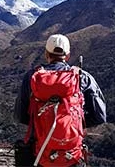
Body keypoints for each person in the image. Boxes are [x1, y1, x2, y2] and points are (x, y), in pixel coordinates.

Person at [14, 34, 107, 166]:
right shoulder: (83, 78)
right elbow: (100, 116)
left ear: (46, 54)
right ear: (67, 56)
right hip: (72, 156)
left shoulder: (32, 77)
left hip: (40, 154)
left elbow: (21, 116)